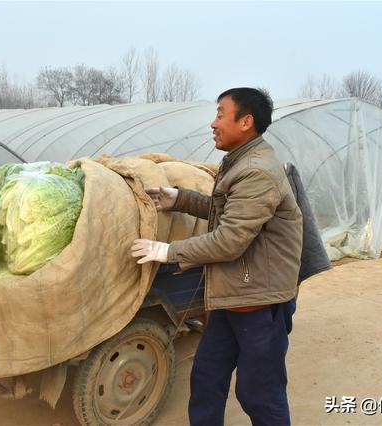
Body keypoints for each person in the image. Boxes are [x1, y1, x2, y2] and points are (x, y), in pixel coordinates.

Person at [131, 87, 303, 426]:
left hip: (259, 302)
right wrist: (179, 198)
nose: (213, 123)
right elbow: (226, 212)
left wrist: (168, 251)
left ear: (245, 122)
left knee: (260, 394)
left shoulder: (256, 171)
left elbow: (229, 240)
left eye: (220, 115)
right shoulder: (239, 161)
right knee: (207, 377)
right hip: (232, 297)